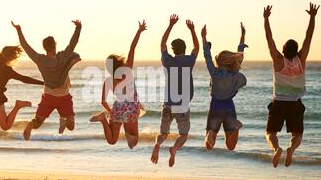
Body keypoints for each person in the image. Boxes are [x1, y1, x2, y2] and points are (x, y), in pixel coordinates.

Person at [263, 3, 320, 168]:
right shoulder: (301, 60)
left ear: (283, 49)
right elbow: (308, 38)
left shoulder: (278, 61)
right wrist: (312, 17)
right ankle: (291, 149)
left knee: (270, 133)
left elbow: (269, 39)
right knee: (297, 135)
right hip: (295, 104)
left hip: (278, 103)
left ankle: (276, 149)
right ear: (296, 51)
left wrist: (266, 19)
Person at [11, 21, 82, 140]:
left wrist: (19, 30)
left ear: (44, 48)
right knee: (71, 126)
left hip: (48, 96)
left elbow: (25, 46)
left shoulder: (39, 59)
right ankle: (64, 120)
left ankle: (30, 125)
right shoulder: (63, 57)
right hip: (64, 97)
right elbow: (73, 43)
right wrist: (78, 27)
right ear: (55, 45)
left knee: (38, 122)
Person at [151, 14, 199, 167]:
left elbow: (162, 43)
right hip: (182, 105)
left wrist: (170, 25)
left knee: (163, 133)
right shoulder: (189, 60)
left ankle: (158, 145)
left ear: (173, 50)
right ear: (184, 50)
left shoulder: (168, 60)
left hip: (168, 104)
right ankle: (174, 149)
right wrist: (192, 30)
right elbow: (196, 48)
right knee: (183, 135)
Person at [89, 20, 147, 149]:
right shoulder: (127, 71)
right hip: (131, 108)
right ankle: (128, 132)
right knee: (133, 143)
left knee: (112, 140)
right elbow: (132, 48)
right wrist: (139, 31)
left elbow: (103, 102)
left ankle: (103, 119)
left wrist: (110, 112)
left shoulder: (108, 81)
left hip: (118, 109)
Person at [201, 23, 248, 151]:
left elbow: (207, 57)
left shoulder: (214, 73)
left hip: (215, 107)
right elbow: (240, 55)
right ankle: (236, 128)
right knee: (231, 146)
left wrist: (204, 38)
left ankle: (210, 134)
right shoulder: (235, 74)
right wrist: (242, 36)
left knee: (209, 146)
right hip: (229, 108)